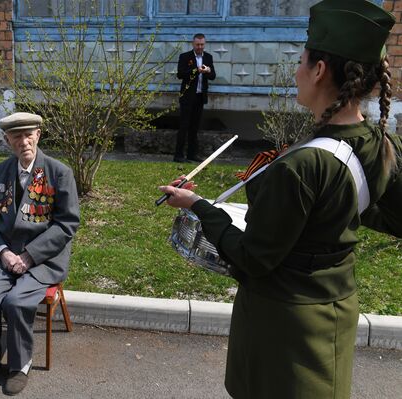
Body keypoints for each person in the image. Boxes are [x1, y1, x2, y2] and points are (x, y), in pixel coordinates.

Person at [159, 1, 402, 398]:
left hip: (284, 330)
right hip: (336, 315)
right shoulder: (379, 144)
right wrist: (333, 211)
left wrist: (198, 206)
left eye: (301, 60)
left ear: (319, 70)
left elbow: (252, 258)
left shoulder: (301, 166)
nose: (295, 70)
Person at [0, 112, 80, 396]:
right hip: (4, 255)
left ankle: (20, 367)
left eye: (28, 134)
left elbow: (67, 224)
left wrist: (30, 256)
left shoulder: (59, 173)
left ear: (38, 135)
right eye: (16, 136)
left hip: (43, 257)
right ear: (8, 141)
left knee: (17, 302)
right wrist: (4, 252)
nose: (24, 141)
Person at [174, 33, 216, 163]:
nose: (200, 47)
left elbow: (213, 76)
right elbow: (180, 74)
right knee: (184, 126)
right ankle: (178, 155)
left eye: (202, 44)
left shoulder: (208, 57)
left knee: (195, 127)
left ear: (205, 44)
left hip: (200, 97)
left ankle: (192, 154)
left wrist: (208, 71)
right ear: (193, 44)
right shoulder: (185, 56)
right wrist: (196, 70)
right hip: (187, 97)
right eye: (197, 44)